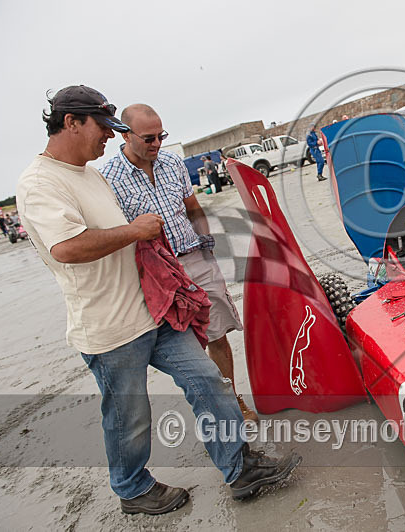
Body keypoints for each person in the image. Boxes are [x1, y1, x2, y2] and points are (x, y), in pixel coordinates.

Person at [17, 85, 299, 515]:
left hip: (154, 310)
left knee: (208, 381)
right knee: (130, 417)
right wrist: (134, 231)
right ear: (71, 122)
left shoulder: (89, 174)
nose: (109, 138)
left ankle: (240, 468)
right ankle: (131, 488)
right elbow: (67, 248)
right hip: (109, 327)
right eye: (103, 128)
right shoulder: (40, 183)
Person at [101, 103, 259, 423]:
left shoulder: (173, 163)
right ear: (125, 134)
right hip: (160, 276)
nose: (157, 143)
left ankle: (233, 401)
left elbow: (194, 208)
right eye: (149, 138)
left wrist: (207, 246)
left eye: (161, 136)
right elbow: (116, 234)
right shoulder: (108, 180)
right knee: (187, 347)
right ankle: (214, 413)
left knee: (217, 334)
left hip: (196, 258)